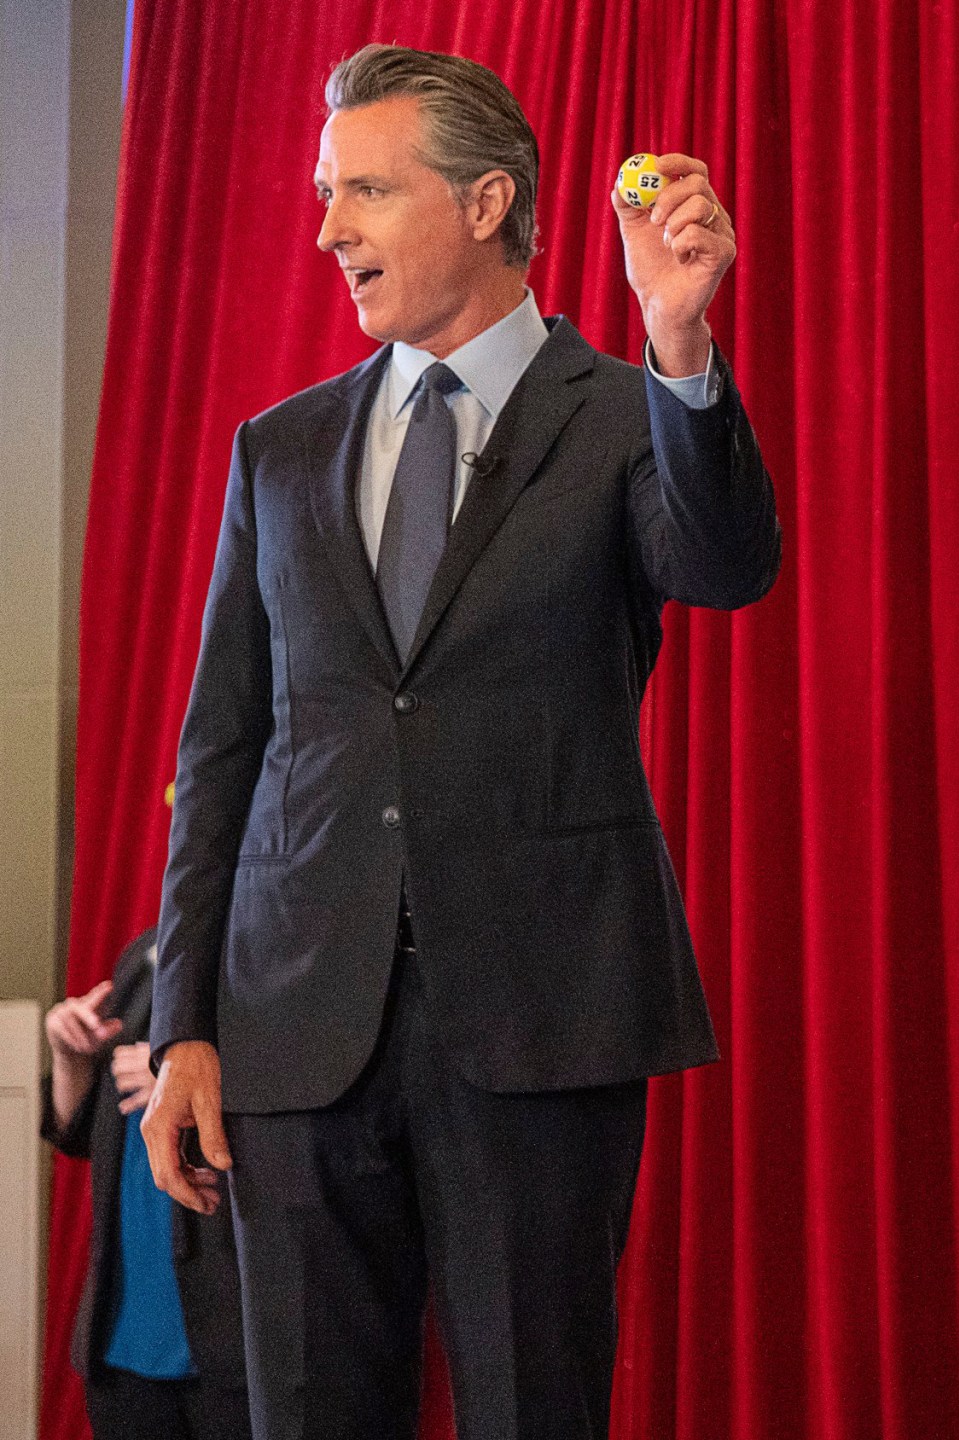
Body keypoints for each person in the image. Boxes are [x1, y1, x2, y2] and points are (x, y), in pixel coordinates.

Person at [140, 43, 780, 1440]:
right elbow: (227, 747)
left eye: (365, 191)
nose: (328, 229)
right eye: (326, 194)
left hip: (541, 1020)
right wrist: (182, 1023)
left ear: (488, 201)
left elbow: (725, 567)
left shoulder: (623, 413)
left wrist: (679, 343)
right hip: (297, 1029)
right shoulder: (280, 448)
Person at [43, 926, 249, 1440]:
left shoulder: (271, 946)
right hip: (124, 1335)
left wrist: (189, 1088)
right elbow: (79, 1132)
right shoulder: (146, 951)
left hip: (233, 1343)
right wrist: (69, 1055)